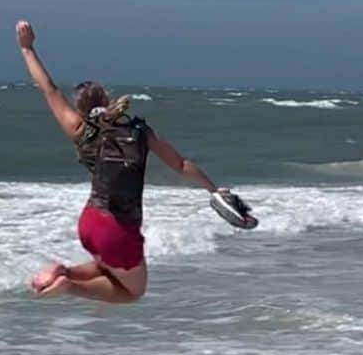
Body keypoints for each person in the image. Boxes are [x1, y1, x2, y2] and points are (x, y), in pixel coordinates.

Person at [16, 20, 227, 304]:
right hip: (119, 229)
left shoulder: (80, 130)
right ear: (109, 99)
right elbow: (180, 165)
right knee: (133, 292)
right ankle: (68, 285)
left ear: (82, 109)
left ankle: (63, 271)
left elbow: (50, 90)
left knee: (107, 268)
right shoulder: (140, 130)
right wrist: (213, 189)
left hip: (90, 222)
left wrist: (27, 49)